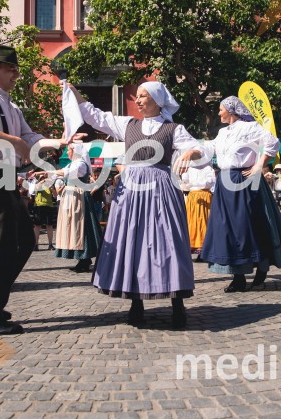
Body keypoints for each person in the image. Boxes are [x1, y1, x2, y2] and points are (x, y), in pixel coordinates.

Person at [66, 81, 202, 328]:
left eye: (142, 96)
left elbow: (199, 148)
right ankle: (135, 302)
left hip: (162, 187)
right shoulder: (129, 124)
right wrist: (73, 90)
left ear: (157, 100)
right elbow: (95, 116)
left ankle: (177, 303)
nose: (138, 101)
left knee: (168, 241)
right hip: (131, 189)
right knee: (132, 242)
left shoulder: (174, 128)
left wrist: (188, 153)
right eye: (137, 96)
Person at [0, 45, 73, 335]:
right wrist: (15, 142)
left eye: (15, 69)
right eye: (9, 68)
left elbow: (29, 136)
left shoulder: (11, 105)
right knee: (1, 246)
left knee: (26, 239)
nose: (15, 73)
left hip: (4, 174)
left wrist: (57, 142)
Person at [200, 97, 281, 292]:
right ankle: (239, 276)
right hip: (224, 182)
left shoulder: (249, 127)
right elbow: (209, 148)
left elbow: (272, 142)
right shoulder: (222, 132)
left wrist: (259, 164)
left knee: (247, 225)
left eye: (221, 110)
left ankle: (261, 267)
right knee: (229, 229)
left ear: (231, 111)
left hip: (243, 180)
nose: (218, 113)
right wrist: (187, 147)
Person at [49, 142, 102, 272]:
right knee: (74, 227)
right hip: (71, 197)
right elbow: (58, 175)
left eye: (69, 150)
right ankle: (82, 259)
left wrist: (47, 171)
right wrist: (44, 175)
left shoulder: (80, 164)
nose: (67, 152)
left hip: (79, 198)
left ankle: (85, 258)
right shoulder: (73, 163)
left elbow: (66, 172)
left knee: (80, 227)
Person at [181, 163, 215, 263]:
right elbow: (185, 180)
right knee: (192, 222)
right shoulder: (189, 167)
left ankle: (205, 251)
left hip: (204, 195)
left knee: (204, 222)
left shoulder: (208, 167)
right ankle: (194, 248)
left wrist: (195, 183)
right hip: (193, 197)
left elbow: (210, 180)